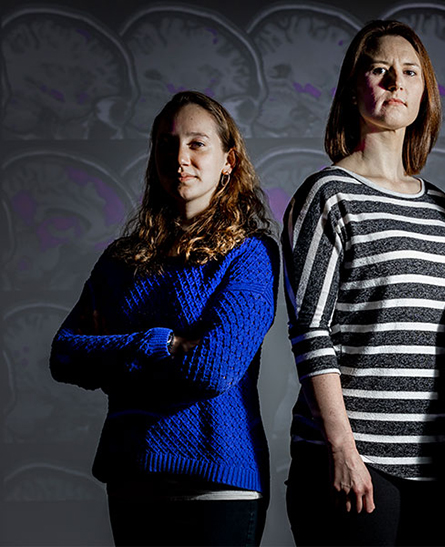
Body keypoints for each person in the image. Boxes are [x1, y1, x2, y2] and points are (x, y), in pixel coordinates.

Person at [281, 19, 445, 547]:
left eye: (410, 72)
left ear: (423, 92)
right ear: (354, 88)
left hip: (437, 461)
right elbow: (311, 330)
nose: (396, 82)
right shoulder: (326, 194)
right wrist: (342, 448)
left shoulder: (438, 205)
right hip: (359, 463)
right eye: (380, 69)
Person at [49, 90, 278, 547]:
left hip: (218, 489)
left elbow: (215, 366)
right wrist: (164, 345)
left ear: (228, 161)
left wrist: (118, 359)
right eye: (166, 144)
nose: (180, 157)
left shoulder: (250, 254)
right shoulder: (121, 260)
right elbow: (66, 353)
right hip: (133, 479)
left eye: (197, 143)